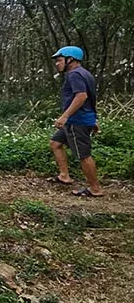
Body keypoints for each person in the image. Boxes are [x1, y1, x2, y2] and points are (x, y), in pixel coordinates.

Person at [48, 46, 103, 197]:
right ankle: (64, 176)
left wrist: (64, 116)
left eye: (59, 60)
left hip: (76, 121)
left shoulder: (74, 75)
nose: (57, 64)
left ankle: (95, 188)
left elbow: (82, 96)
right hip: (81, 119)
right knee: (55, 143)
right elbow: (91, 98)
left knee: (83, 155)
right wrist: (93, 119)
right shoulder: (85, 74)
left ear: (70, 60)